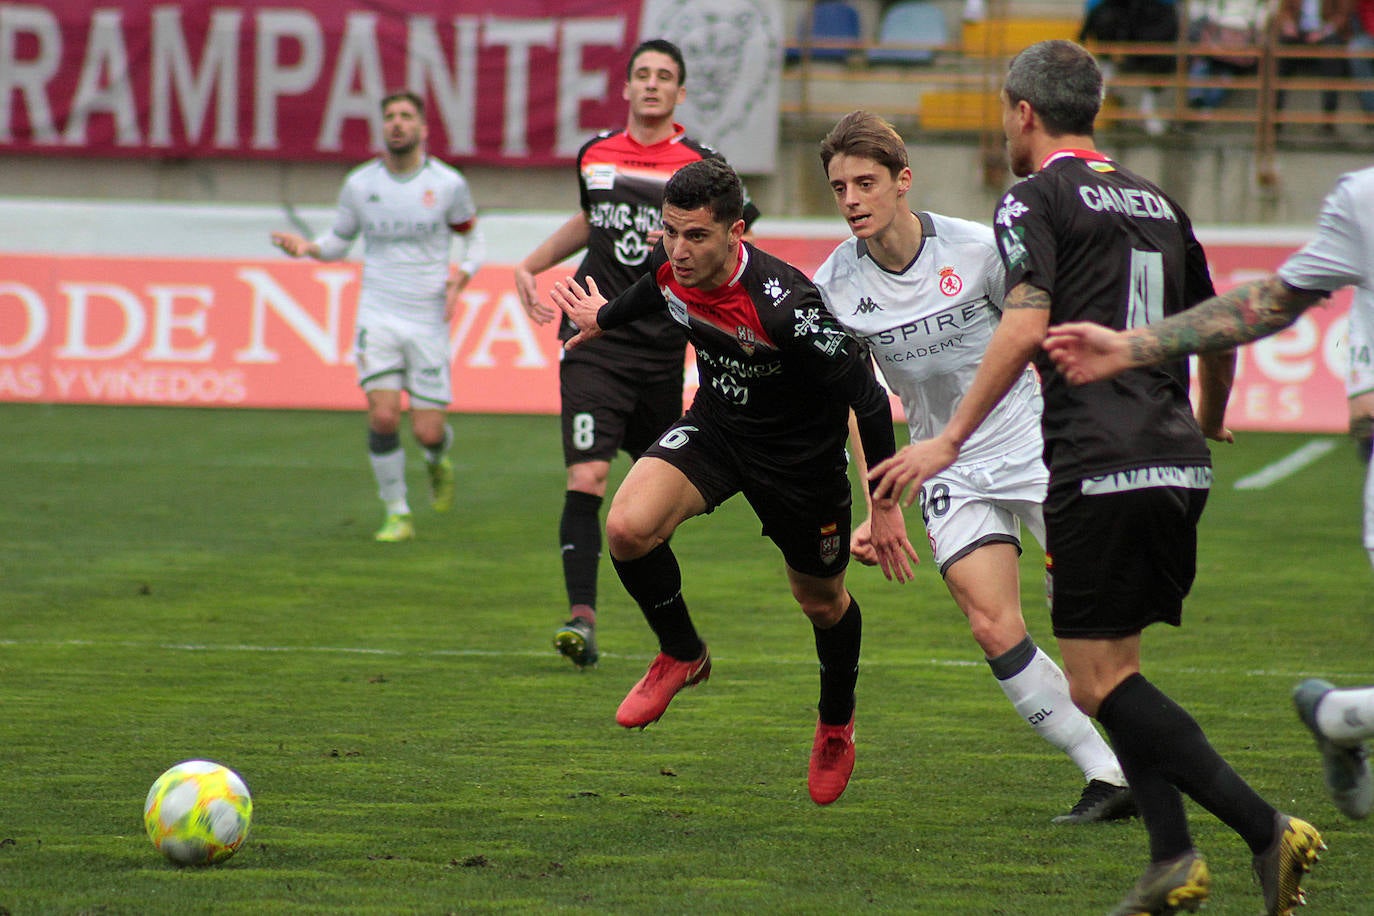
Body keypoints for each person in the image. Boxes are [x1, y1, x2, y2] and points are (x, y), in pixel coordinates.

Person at [868, 40, 1323, 915]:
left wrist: (949, 438)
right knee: (1117, 664)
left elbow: (1026, 319)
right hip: (1175, 458)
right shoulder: (1158, 201)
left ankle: (1266, 829)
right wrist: (1211, 417)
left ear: (1023, 113)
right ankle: (1171, 858)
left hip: (1097, 457)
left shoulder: (1032, 198)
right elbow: (1214, 322)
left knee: (1097, 681)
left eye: (1006, 114)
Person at [549, 157, 909, 806]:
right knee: (628, 528)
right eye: (670, 233)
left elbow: (871, 400)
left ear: (735, 233)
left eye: (696, 237)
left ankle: (835, 724)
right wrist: (603, 318)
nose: (678, 251)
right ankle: (681, 653)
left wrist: (883, 508)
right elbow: (654, 288)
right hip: (718, 433)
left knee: (821, 602)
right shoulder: (671, 270)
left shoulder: (787, 309)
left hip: (800, 467)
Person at [811, 110, 1135, 825]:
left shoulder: (979, 249)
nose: (852, 200)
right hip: (945, 466)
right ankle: (1108, 774)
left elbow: (1045, 336)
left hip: (1036, 446)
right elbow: (855, 402)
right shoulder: (832, 286)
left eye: (866, 182)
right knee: (992, 625)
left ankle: (1152, 751)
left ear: (903, 181)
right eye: (839, 187)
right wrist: (880, 504)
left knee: (1092, 625)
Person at [1040, 164, 1374, 825]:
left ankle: (1335, 722)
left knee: (1102, 671)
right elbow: (1269, 302)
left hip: (1113, 457)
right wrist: (1135, 346)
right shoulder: (1363, 199)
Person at [514, 39, 760, 670]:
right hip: (593, 343)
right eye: (642, 74)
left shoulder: (701, 165)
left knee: (666, 503)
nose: (651, 84)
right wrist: (533, 262)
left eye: (665, 77)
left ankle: (672, 626)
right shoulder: (594, 153)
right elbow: (589, 221)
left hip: (661, 351)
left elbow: (737, 240)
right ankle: (581, 619)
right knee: (588, 477)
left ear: (679, 94)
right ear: (625, 87)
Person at [271, 90, 483, 542]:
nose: (397, 123)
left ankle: (437, 457)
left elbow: (473, 240)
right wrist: (307, 248)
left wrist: (460, 278)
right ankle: (397, 512)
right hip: (379, 313)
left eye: (406, 116)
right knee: (384, 417)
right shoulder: (360, 185)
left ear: (423, 129)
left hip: (427, 317)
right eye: (390, 116)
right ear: (382, 127)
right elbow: (337, 243)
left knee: (427, 431)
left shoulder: (447, 184)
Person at [1274, 0, 1351, 133]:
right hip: (1298, 33)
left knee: (1332, 53)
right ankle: (1274, 118)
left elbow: (1342, 16)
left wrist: (1322, 32)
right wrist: (1288, 25)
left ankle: (1328, 121)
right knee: (1279, 50)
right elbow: (1284, 11)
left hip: (1326, 34)